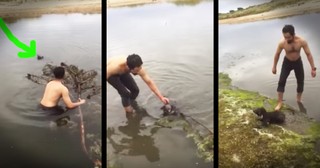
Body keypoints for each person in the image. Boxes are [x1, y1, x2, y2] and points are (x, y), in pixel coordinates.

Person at [272, 25, 316, 111]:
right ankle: (280, 102)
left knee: (300, 81)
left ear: (293, 34)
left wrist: (313, 68)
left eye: (288, 37)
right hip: (287, 62)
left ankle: (298, 100)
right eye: (285, 37)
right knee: (281, 81)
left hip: (297, 62)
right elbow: (277, 54)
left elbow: (309, 54)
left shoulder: (301, 41)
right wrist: (274, 66)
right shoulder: (282, 43)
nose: (287, 39)